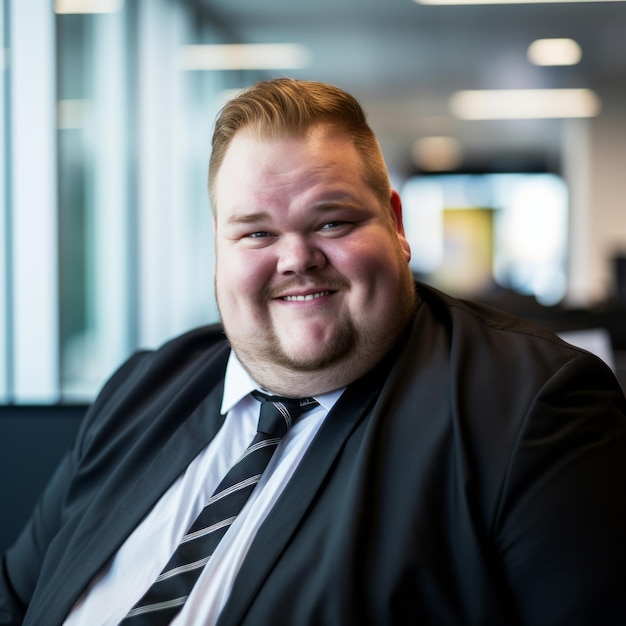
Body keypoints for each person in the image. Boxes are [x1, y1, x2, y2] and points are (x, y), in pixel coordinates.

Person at [1, 78, 626, 626]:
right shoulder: (143, 387)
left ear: (396, 224)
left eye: (332, 222)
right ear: (218, 247)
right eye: (256, 233)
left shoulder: (532, 407)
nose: (296, 259)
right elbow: (17, 597)